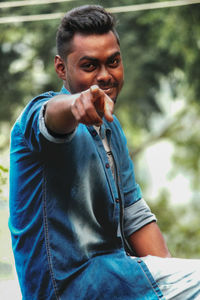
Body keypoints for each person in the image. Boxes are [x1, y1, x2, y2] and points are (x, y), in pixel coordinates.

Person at [9, 5, 200, 300]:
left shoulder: (113, 131)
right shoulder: (37, 119)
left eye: (113, 62)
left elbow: (134, 214)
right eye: (89, 66)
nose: (105, 75)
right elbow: (49, 117)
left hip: (120, 280)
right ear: (61, 68)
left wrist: (171, 277)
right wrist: (76, 103)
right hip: (70, 289)